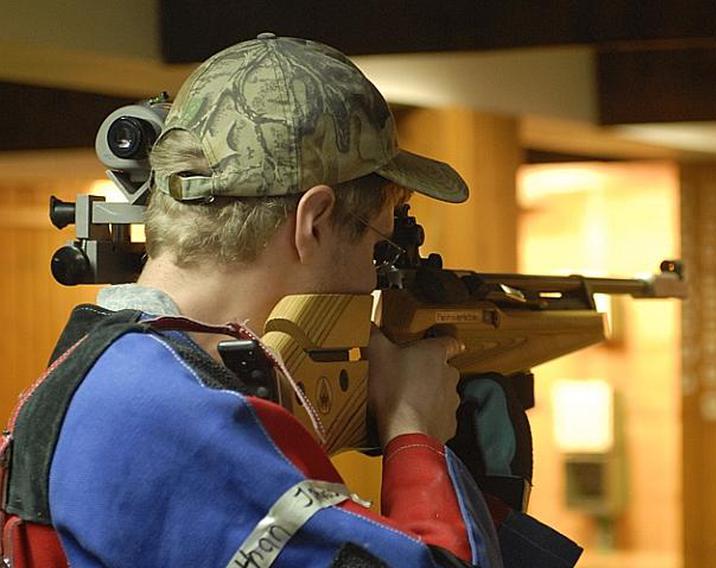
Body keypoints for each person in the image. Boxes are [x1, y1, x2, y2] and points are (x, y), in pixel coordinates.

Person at [2, 34, 581, 567]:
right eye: (378, 246)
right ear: (315, 221)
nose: (371, 282)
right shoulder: (169, 414)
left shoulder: (123, 376)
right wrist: (415, 431)